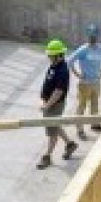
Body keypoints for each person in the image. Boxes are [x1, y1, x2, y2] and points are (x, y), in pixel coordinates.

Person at [38, 39, 79, 169]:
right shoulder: (54, 65)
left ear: (59, 55)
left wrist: (47, 105)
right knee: (54, 125)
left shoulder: (62, 71)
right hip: (49, 103)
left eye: (51, 55)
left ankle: (47, 156)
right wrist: (44, 99)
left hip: (55, 105)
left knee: (52, 132)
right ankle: (70, 144)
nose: (49, 57)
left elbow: (58, 92)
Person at [68, 24, 101, 139]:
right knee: (82, 105)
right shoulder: (83, 49)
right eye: (91, 36)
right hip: (85, 83)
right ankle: (79, 129)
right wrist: (78, 74)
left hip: (96, 82)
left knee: (95, 104)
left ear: (98, 36)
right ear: (88, 36)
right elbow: (70, 61)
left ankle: (94, 123)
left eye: (94, 36)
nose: (93, 38)